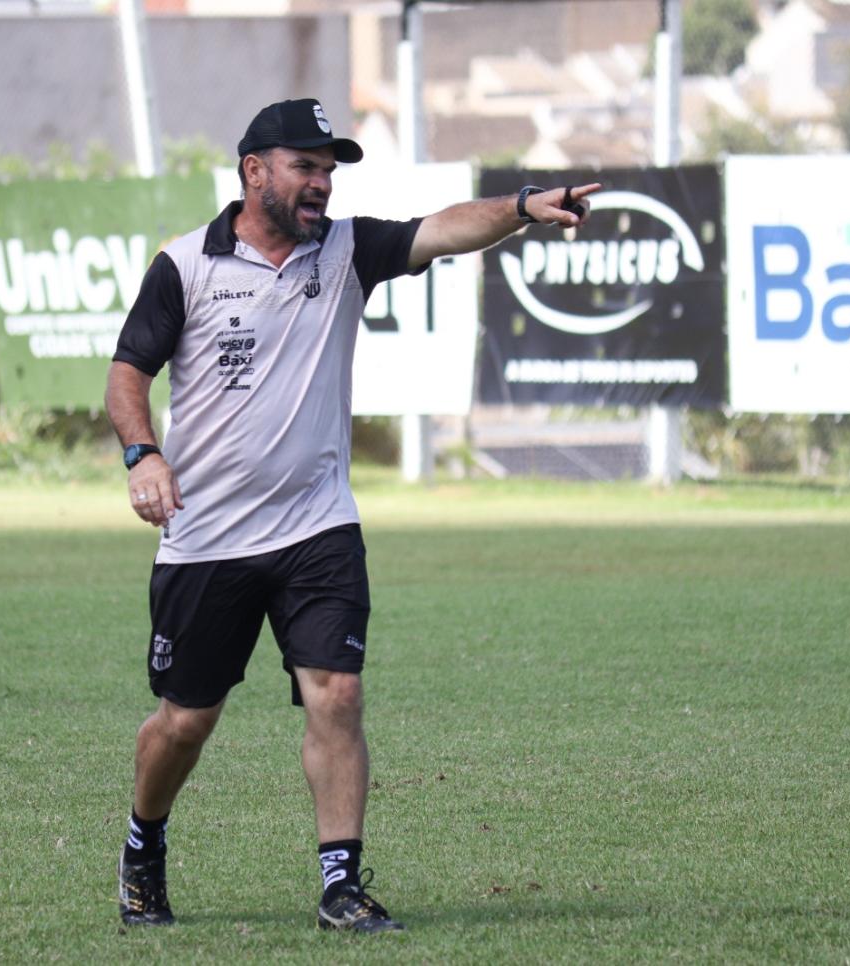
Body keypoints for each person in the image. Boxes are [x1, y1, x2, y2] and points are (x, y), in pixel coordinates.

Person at [105, 97, 598, 933]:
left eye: (330, 170)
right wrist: (142, 454)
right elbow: (127, 375)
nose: (322, 185)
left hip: (316, 527)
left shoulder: (345, 251)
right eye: (306, 166)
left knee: (336, 693)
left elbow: (443, 229)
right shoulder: (184, 266)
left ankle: (341, 884)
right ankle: (143, 849)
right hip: (207, 538)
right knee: (185, 721)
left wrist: (519, 209)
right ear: (254, 171)